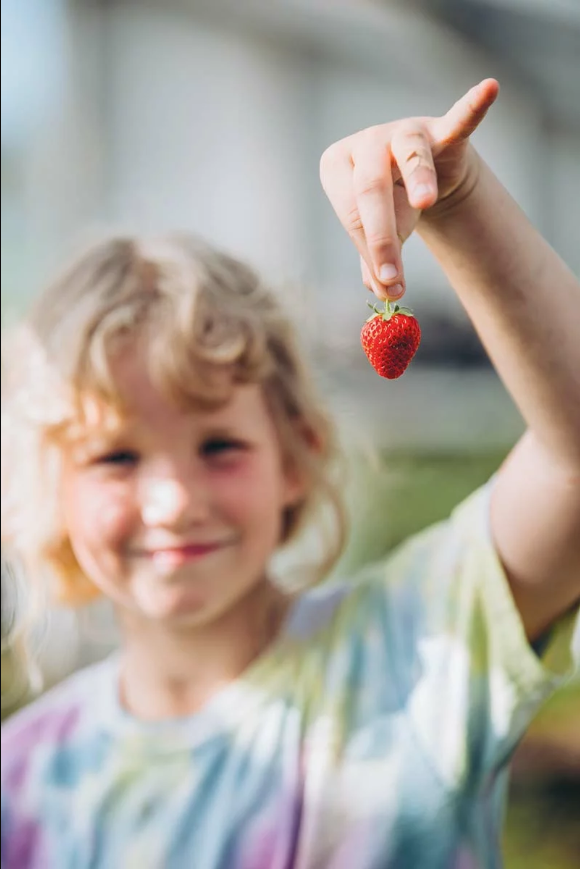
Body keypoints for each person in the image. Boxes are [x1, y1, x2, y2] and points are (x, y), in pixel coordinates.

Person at [1, 79, 578, 869]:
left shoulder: (416, 646)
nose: (173, 501)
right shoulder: (22, 783)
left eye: (218, 447)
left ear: (296, 456)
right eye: (116, 456)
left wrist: (461, 202)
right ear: (53, 488)